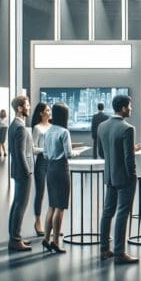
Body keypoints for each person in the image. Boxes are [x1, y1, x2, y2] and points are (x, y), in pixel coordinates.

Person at [98, 95, 141, 264]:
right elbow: (128, 160)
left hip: (109, 176)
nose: (131, 109)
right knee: (122, 214)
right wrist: (132, 177)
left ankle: (104, 250)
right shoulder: (127, 128)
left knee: (107, 213)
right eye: (130, 106)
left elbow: (103, 153)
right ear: (124, 108)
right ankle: (119, 253)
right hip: (124, 178)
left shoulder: (102, 126)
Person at [42, 103, 79, 254]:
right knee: (61, 206)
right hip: (61, 169)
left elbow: (44, 153)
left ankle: (46, 238)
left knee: (51, 205)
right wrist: (77, 152)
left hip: (50, 168)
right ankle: (56, 241)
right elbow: (69, 154)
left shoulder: (48, 131)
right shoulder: (64, 132)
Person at [7, 96, 34, 252]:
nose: (29, 108)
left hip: (18, 170)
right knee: (20, 205)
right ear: (19, 108)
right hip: (23, 172)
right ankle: (15, 240)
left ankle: (15, 237)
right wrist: (27, 172)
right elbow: (20, 153)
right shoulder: (20, 127)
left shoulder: (14, 125)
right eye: (27, 105)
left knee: (17, 204)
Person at [31, 102, 52, 236]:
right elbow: (33, 148)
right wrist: (46, 150)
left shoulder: (54, 127)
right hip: (42, 162)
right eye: (47, 110)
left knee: (54, 194)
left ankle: (51, 224)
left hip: (53, 162)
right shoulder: (37, 128)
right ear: (41, 113)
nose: (50, 112)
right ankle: (38, 222)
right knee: (40, 193)